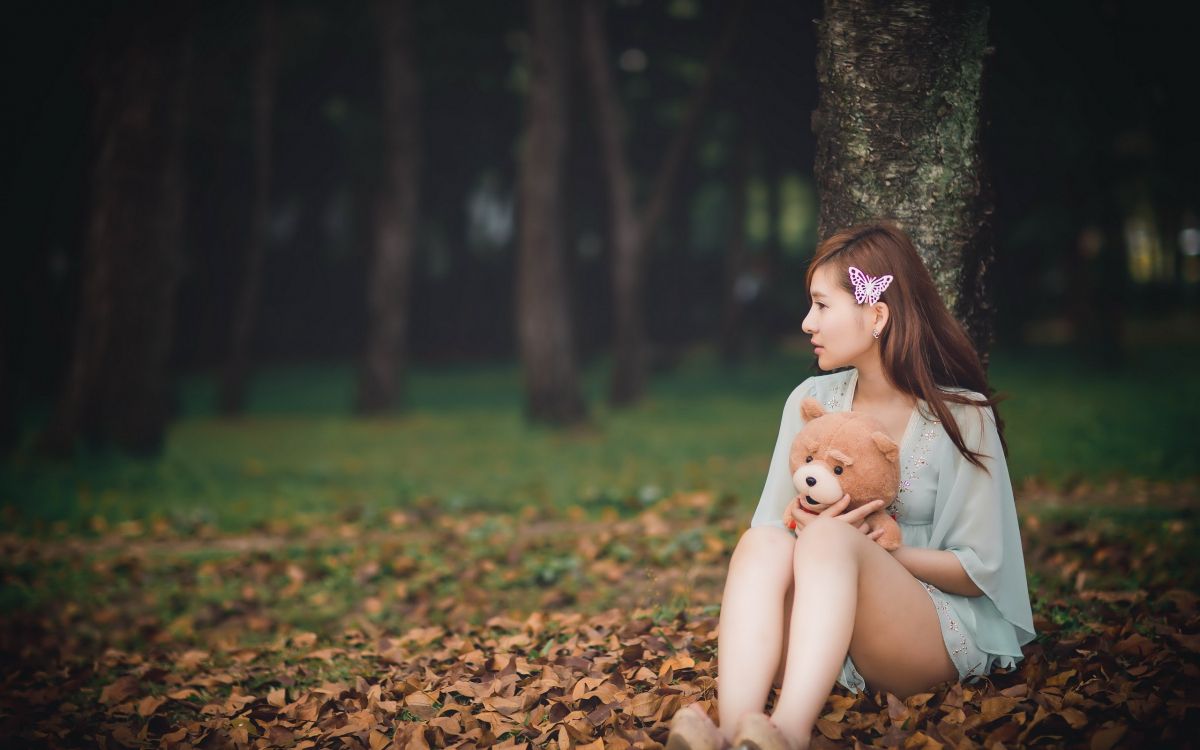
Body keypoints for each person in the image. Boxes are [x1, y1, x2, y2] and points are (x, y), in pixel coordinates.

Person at [666, 221, 1036, 750]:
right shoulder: (809, 401)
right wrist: (809, 529)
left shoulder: (961, 417)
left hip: (924, 634)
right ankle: (734, 734)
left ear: (876, 313)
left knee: (830, 538)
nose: (806, 322)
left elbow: (980, 574)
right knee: (762, 540)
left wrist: (876, 549)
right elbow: (778, 528)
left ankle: (787, 736)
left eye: (822, 305)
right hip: (826, 630)